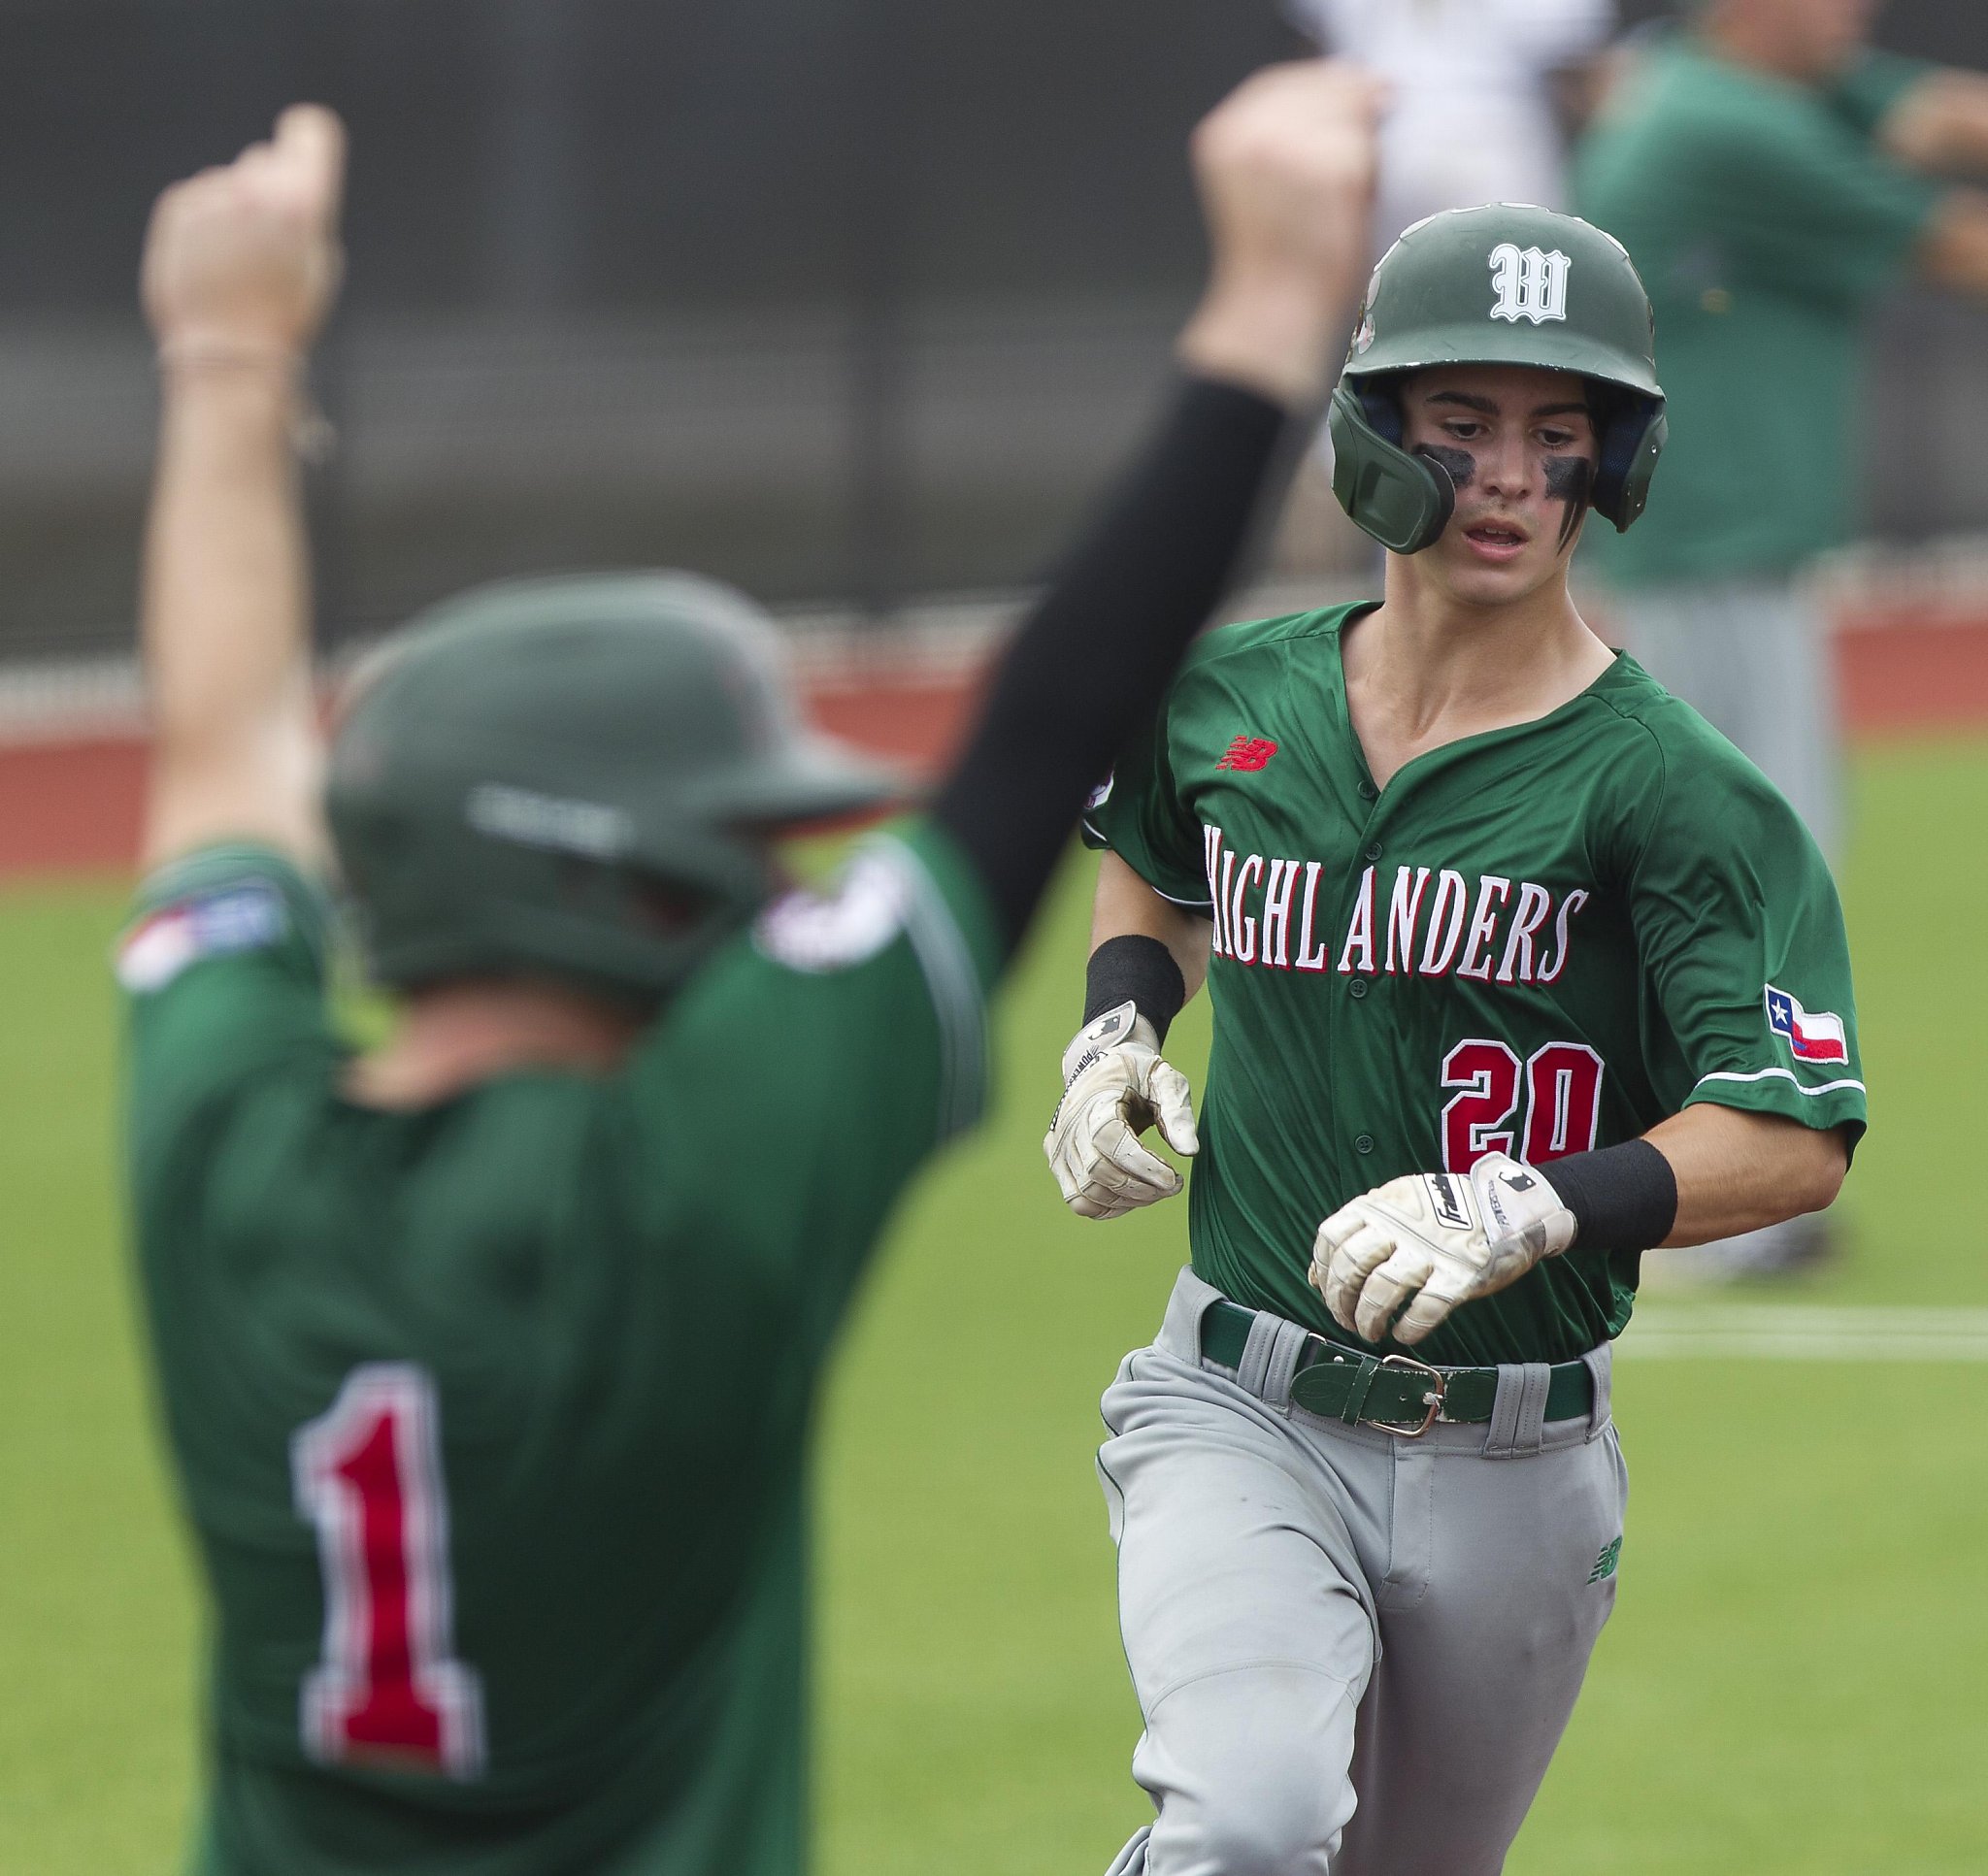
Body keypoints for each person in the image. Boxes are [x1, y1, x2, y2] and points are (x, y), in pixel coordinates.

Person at [122, 68, 1380, 1875]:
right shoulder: (696, 1187)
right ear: (612, 894)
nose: (767, 888)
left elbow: (220, 757)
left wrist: (224, 351)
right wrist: (1266, 308)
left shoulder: (218, 1149)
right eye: (732, 852)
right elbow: (1037, 743)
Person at [1046, 202, 1864, 1876]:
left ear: (1612, 464)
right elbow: (1156, 857)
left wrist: (1535, 1203)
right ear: (1372, 442)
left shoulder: (1675, 790)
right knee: (1251, 1821)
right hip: (1238, 1400)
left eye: (1556, 435)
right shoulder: (1229, 697)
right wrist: (1115, 1029)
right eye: (1462, 425)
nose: (1504, 477)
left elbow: (1788, 1131)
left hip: (1521, 1456)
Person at [1574, 0, 1988, 1272]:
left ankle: (1696, 1195)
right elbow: (1960, 244)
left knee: (1759, 863)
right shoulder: (1728, 120)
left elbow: (1925, 113)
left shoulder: (1733, 91)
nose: (1848, 12)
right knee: (1733, 871)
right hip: (1697, 556)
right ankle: (1683, 1206)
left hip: (1722, 555)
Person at [1287, 0, 1615, 253]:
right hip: (1491, 132)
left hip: (1393, 131)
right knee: (1511, 293)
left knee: (1395, 300)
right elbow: (1576, 69)